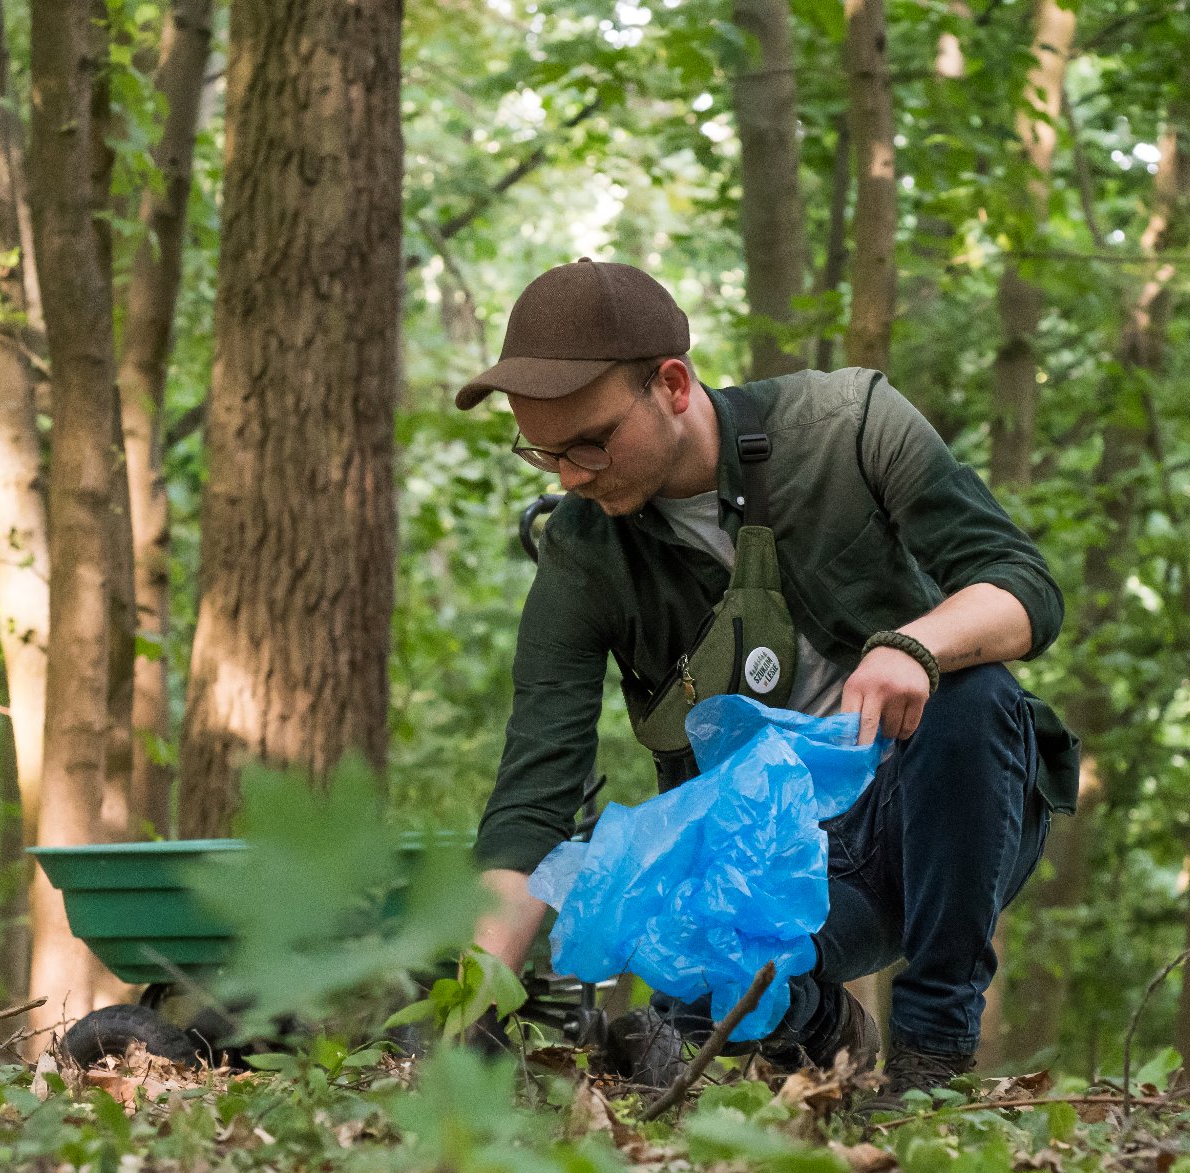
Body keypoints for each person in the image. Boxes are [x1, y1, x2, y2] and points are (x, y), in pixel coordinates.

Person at [460, 258, 1078, 1101]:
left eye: (590, 442)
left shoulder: (846, 425)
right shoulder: (583, 551)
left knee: (973, 700)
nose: (569, 475)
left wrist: (916, 644)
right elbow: (535, 795)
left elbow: (1025, 589)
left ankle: (934, 1060)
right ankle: (818, 1027)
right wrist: (473, 999)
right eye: (544, 450)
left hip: (934, 817)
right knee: (672, 1029)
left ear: (672, 385)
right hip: (764, 868)